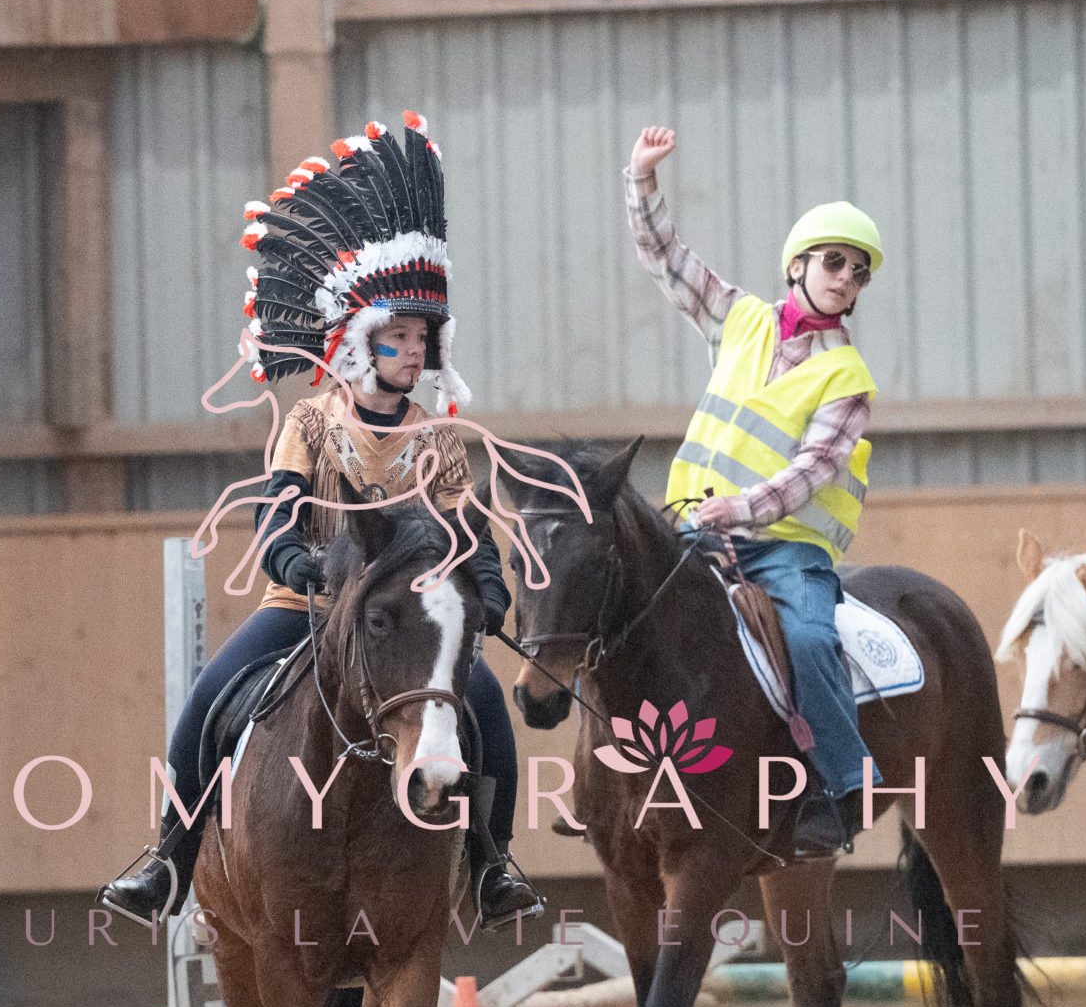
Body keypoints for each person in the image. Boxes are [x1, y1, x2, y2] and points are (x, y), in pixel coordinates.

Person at [101, 114, 544, 929]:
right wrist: (292, 562)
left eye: (422, 338)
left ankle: (492, 862)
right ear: (362, 343)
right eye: (399, 337)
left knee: (485, 704)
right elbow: (276, 514)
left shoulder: (439, 438)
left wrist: (487, 586)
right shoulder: (310, 423)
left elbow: (470, 532)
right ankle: (168, 860)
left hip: (411, 620)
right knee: (209, 701)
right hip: (306, 608)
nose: (415, 351)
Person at [624, 125, 879, 860]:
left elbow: (813, 470)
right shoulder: (739, 320)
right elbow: (668, 260)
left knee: (810, 640)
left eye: (858, 272)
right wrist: (642, 180)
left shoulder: (848, 378)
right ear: (797, 264)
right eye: (834, 261)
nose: (845, 278)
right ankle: (616, 786)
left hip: (786, 553)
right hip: (691, 531)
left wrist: (740, 509)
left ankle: (845, 784)